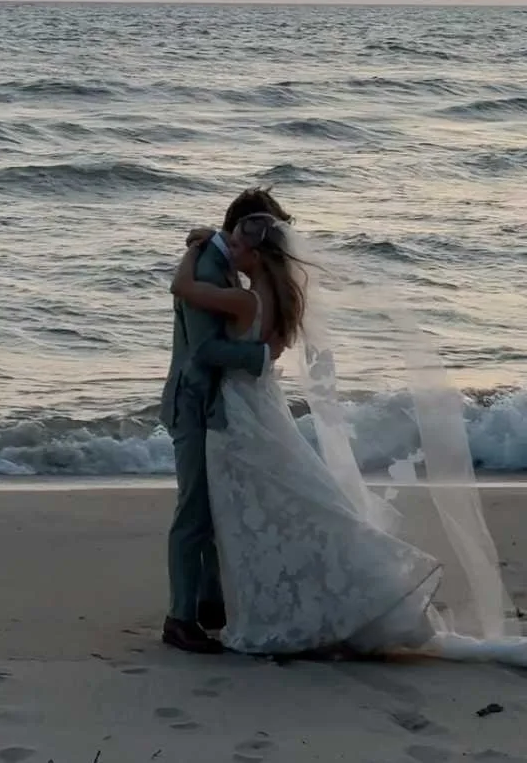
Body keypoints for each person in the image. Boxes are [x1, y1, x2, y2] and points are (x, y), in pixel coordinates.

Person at [172, 214, 527, 662]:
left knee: (252, 511)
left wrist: (193, 249)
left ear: (257, 257)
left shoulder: (244, 302)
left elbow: (182, 290)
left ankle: (266, 606)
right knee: (288, 500)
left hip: (240, 415)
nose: (230, 249)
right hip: (265, 408)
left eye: (238, 245)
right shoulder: (284, 299)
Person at [160, 187, 291, 654]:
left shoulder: (222, 265)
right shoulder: (210, 268)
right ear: (237, 230)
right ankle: (179, 618)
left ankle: (211, 601)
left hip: (220, 407)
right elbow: (205, 350)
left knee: (218, 508)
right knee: (193, 512)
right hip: (193, 404)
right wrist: (262, 354)